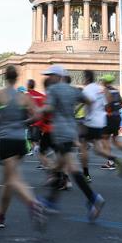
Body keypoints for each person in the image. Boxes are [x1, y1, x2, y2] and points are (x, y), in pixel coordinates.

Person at [37, 65, 105, 221]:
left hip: (60, 134)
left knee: (72, 168)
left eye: (50, 75)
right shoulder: (72, 90)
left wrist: (36, 111)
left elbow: (49, 108)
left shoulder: (53, 90)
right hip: (71, 131)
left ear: (57, 76)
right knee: (59, 168)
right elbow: (89, 100)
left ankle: (94, 198)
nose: (48, 78)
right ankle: (51, 201)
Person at [0, 66, 46, 230]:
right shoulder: (23, 97)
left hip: (6, 140)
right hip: (20, 141)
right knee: (7, 181)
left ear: (5, 77)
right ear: (17, 78)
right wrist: (24, 122)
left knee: (12, 180)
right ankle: (0, 216)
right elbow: (37, 114)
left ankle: (33, 203)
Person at [78, 70, 122, 181]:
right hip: (100, 122)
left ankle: (86, 175)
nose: (83, 81)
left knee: (83, 147)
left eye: (83, 78)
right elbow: (107, 104)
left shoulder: (88, 89)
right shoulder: (100, 89)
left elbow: (89, 101)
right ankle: (115, 159)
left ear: (87, 79)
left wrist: (79, 99)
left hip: (90, 122)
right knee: (97, 149)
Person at [26, 79, 52, 170]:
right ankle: (43, 158)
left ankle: (43, 162)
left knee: (34, 142)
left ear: (28, 85)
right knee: (40, 141)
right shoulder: (41, 95)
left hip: (33, 122)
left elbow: (27, 109)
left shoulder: (27, 95)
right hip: (42, 122)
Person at [102, 75, 122, 166]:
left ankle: (110, 162)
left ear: (105, 81)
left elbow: (107, 104)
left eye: (103, 80)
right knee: (114, 139)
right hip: (117, 117)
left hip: (109, 117)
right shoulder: (116, 90)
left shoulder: (106, 90)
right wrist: (116, 109)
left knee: (105, 139)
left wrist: (106, 110)